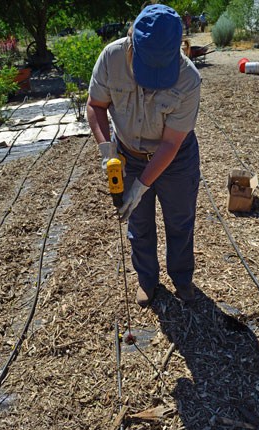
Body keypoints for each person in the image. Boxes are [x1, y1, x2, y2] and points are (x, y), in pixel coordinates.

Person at [87, 4, 201, 307]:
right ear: (132, 42)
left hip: (175, 159)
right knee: (139, 225)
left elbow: (170, 145)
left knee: (180, 222)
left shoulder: (188, 80)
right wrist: (106, 151)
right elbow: (95, 105)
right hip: (129, 154)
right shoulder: (111, 58)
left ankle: (182, 278)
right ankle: (147, 280)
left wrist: (141, 186)